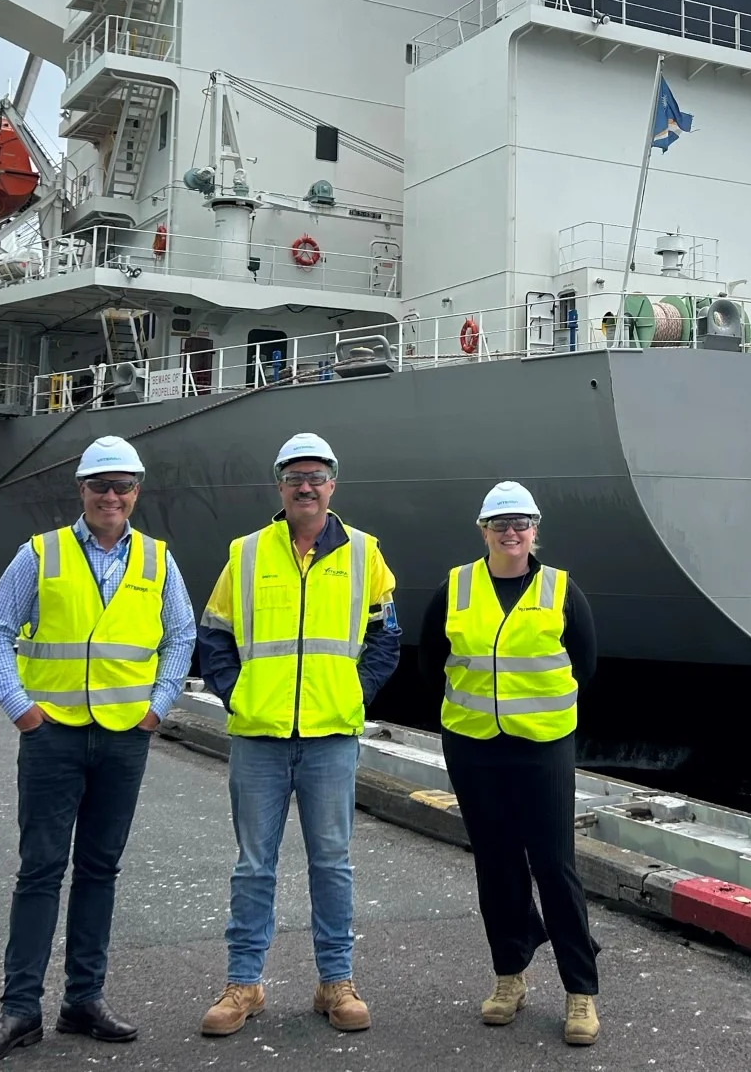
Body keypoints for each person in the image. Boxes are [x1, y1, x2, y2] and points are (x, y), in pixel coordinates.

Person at [0, 435, 197, 1067]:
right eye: (101, 486)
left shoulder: (157, 560)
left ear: (136, 492)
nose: (112, 496)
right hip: (53, 736)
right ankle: (20, 1010)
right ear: (82, 492)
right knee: (40, 869)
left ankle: (83, 999)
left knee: (100, 869)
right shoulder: (40, 555)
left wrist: (158, 707)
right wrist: (21, 709)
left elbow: (181, 633)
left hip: (125, 737)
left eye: (123, 486)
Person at [195, 431, 401, 1037]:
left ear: (333, 484)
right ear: (279, 485)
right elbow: (215, 632)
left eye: (316, 476)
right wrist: (239, 694)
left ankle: (336, 982)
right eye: (294, 477)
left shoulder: (366, 554)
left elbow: (386, 635)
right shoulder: (247, 553)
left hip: (330, 735)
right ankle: (243, 984)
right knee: (253, 865)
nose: (305, 487)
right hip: (259, 734)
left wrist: (352, 694)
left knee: (332, 864)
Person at [418, 481, 601, 1047]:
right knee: (496, 865)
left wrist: (537, 713)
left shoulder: (561, 590)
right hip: (474, 743)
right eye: (500, 524)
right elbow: (431, 660)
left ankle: (580, 991)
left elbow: (585, 663)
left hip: (542, 745)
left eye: (521, 523)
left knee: (554, 865)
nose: (511, 532)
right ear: (484, 531)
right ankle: (510, 977)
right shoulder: (456, 586)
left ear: (535, 529)